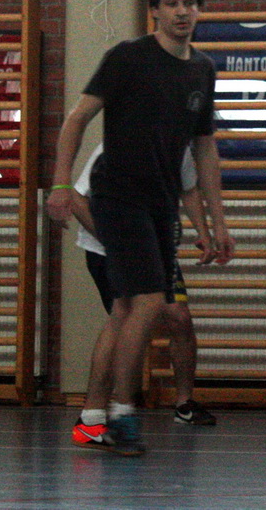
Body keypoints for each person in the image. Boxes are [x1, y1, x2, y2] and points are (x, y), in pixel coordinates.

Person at [47, 0, 235, 456]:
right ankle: (122, 415)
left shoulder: (202, 69)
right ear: (154, 11)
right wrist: (62, 184)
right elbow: (76, 119)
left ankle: (93, 418)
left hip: (160, 206)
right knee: (150, 302)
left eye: (189, 3)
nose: (181, 12)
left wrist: (218, 223)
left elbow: (204, 149)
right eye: (171, 3)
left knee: (127, 311)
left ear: (200, 10)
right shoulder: (128, 58)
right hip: (117, 198)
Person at [67, 142, 226, 452]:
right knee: (123, 319)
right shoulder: (118, 146)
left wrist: (204, 232)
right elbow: (76, 197)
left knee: (178, 316)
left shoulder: (180, 143)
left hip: (151, 249)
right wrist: (117, 241)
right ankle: (94, 418)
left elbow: (189, 188)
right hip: (111, 250)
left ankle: (182, 404)